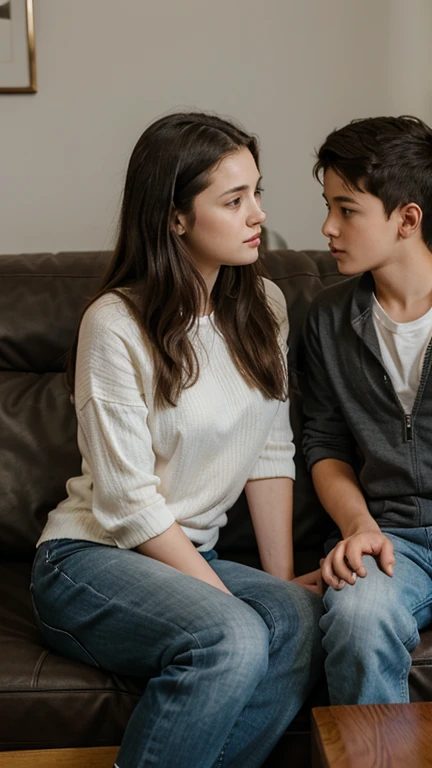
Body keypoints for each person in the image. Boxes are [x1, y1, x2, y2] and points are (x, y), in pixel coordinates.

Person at [30, 111, 323, 768]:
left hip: (190, 557)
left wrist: (277, 586)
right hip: (90, 558)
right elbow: (129, 505)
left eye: (257, 191)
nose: (258, 215)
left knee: (301, 622)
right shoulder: (115, 323)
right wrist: (233, 605)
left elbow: (271, 451)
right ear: (174, 217)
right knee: (232, 636)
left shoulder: (264, 305)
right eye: (233, 199)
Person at [302, 115, 432, 706]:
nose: (327, 227)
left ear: (407, 219)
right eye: (327, 205)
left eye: (347, 209)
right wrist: (360, 527)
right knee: (356, 619)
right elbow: (324, 444)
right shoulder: (328, 320)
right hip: (391, 541)